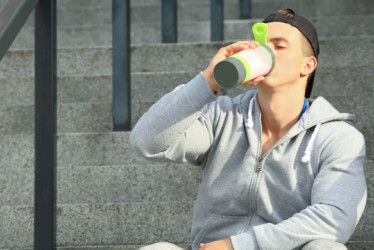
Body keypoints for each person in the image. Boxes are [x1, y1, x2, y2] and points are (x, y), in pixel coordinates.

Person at [131, 9, 367, 250]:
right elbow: (146, 141)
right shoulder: (221, 117)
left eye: (279, 46)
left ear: (308, 65)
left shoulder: (337, 137)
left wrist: (236, 245)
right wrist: (208, 79)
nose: (266, 52)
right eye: (261, 45)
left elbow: (335, 217)